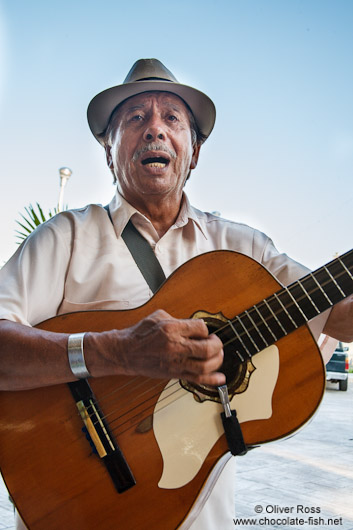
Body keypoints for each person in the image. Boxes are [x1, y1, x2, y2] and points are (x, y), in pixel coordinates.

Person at [0, 58, 352, 530]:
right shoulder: (67, 236)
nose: (154, 130)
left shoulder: (244, 249)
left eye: (172, 118)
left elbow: (339, 314)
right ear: (108, 150)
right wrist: (115, 351)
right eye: (135, 118)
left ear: (195, 152)